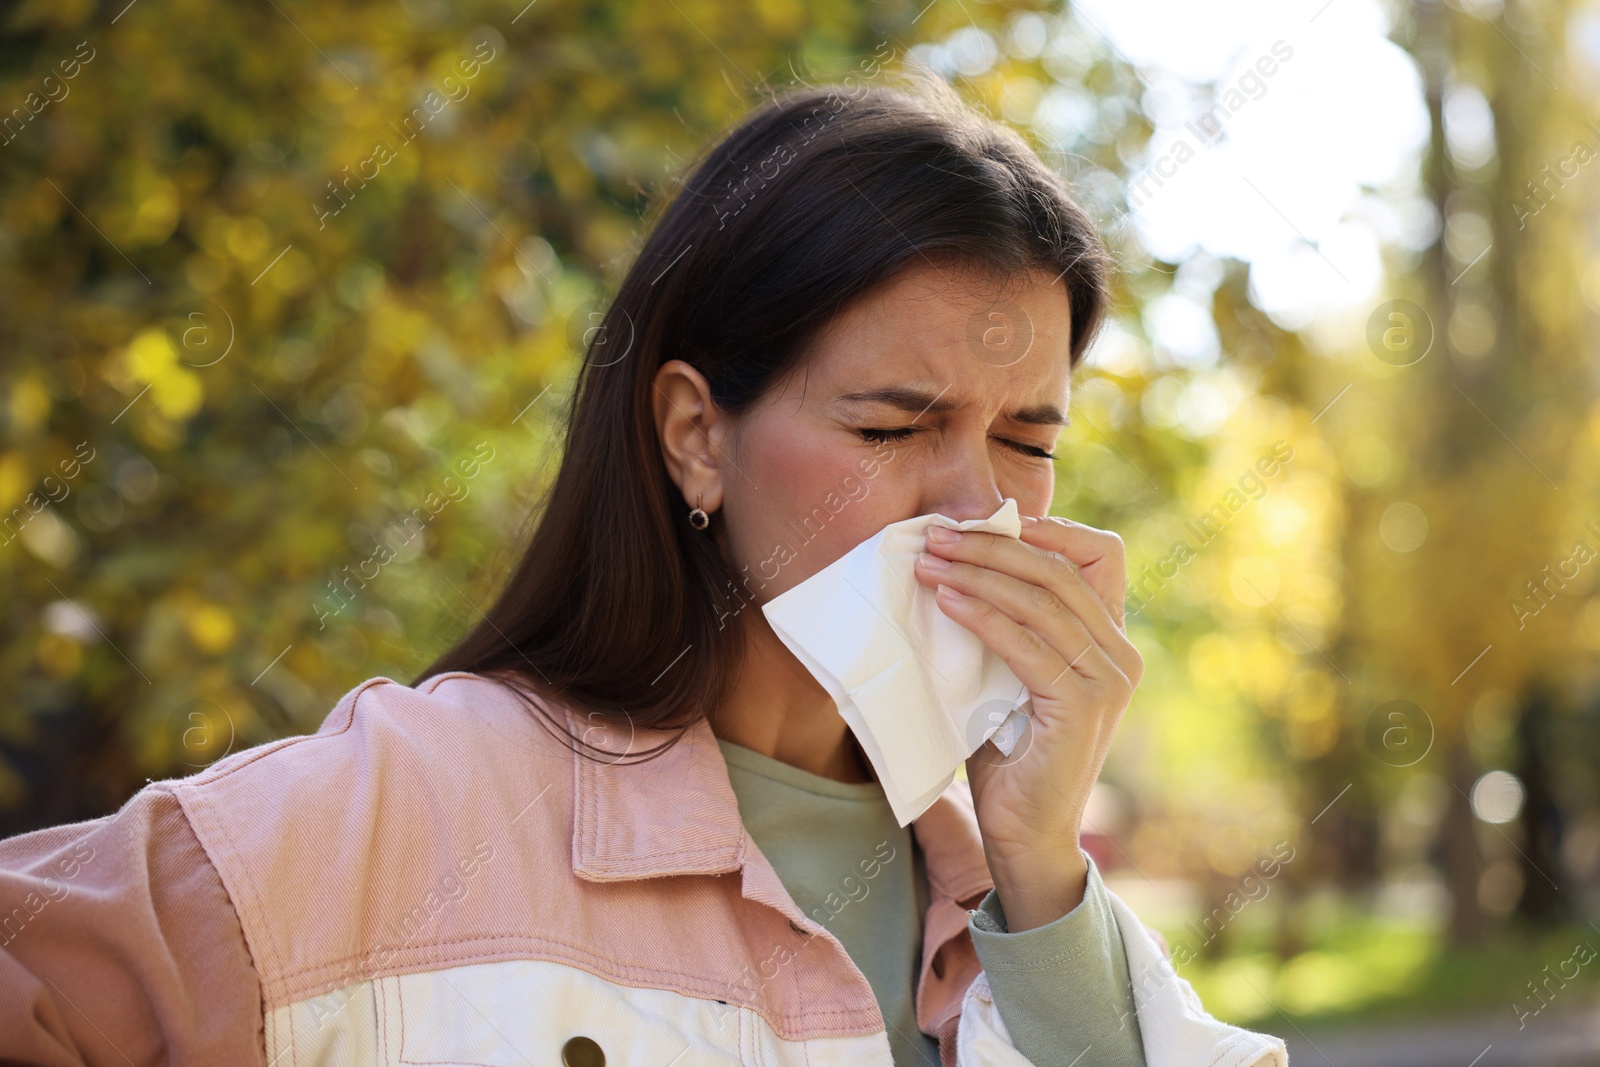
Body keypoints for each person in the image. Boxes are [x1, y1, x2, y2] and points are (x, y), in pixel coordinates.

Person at [0, 68, 1287, 1067]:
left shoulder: (1014, 882)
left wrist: (1038, 859)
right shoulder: (410, 800)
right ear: (695, 436)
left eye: (1028, 437)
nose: (975, 501)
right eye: (894, 427)